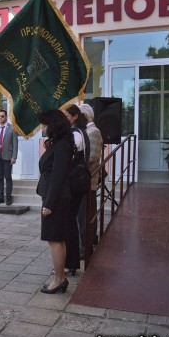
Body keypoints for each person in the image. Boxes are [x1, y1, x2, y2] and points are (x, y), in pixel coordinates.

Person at [37, 109, 74, 294]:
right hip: (54, 196)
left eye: (45, 124)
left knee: (55, 239)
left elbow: (58, 176)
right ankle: (60, 277)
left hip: (56, 198)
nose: (43, 128)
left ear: (54, 125)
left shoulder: (61, 145)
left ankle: (59, 279)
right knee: (56, 239)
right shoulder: (59, 143)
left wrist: (49, 204)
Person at [62, 104, 87, 275]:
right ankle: (70, 262)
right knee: (70, 222)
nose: (64, 119)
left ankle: (71, 262)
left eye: (66, 116)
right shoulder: (79, 133)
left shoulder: (75, 134)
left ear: (75, 116)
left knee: (69, 223)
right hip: (77, 182)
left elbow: (70, 158)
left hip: (73, 184)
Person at [77, 104, 103, 258]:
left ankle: (86, 246)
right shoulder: (86, 131)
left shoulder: (93, 131)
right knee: (84, 214)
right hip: (83, 179)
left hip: (87, 179)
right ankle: (88, 242)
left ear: (85, 116)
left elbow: (91, 157)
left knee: (86, 215)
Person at [0, 108, 18, 205]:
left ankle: (8, 197)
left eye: (2, 116)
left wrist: (14, 156)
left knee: (8, 177)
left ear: (6, 117)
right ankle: (0, 197)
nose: (0, 118)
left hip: (8, 156)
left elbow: (15, 143)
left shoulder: (12, 128)